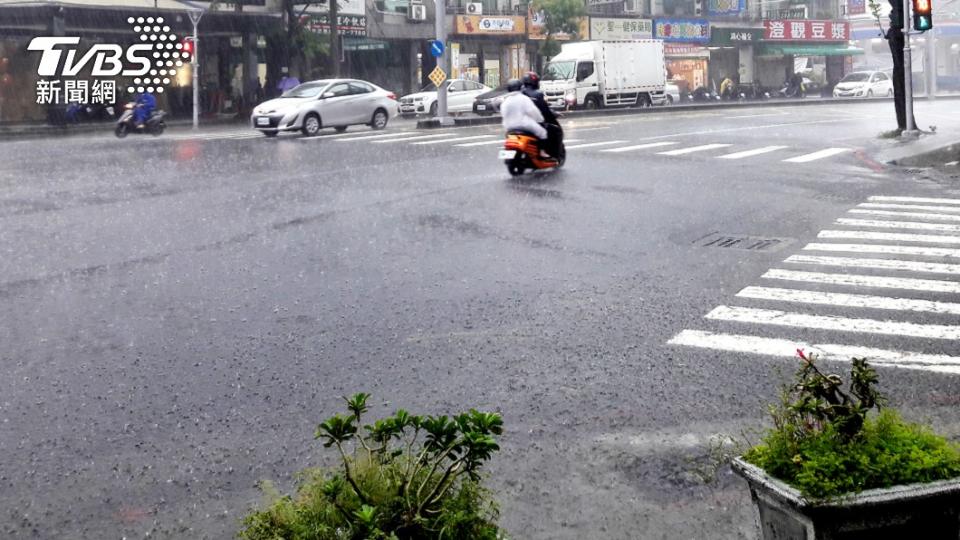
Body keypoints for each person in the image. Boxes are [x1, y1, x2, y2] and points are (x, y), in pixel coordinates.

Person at [520, 71, 562, 158]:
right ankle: (542, 151)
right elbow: (545, 110)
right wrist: (553, 114)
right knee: (546, 131)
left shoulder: (519, 93)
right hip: (533, 121)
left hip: (519, 121)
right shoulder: (537, 94)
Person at [500, 78, 548, 151]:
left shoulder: (505, 101)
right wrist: (541, 120)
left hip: (508, 127)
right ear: (520, 87)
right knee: (543, 133)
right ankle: (542, 152)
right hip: (524, 125)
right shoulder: (523, 98)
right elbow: (533, 112)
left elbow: (503, 114)